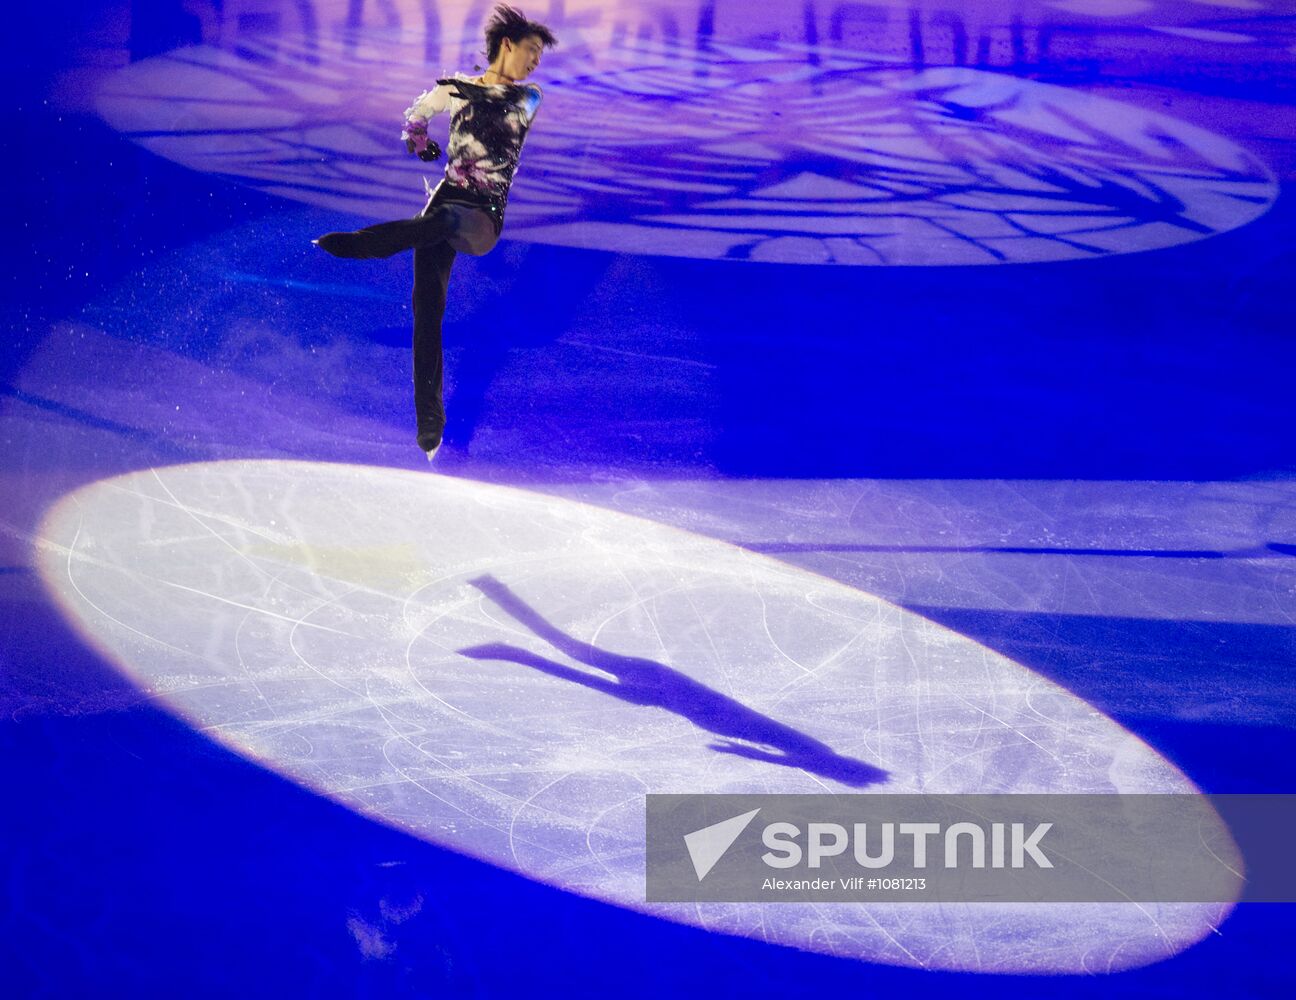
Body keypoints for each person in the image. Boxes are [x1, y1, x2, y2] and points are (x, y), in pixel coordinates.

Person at [315, 5, 557, 460]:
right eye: (531, 51)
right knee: (427, 311)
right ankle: (430, 425)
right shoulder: (456, 89)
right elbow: (415, 118)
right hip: (444, 198)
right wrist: (420, 140)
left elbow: (492, 100)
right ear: (508, 44)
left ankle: (362, 245)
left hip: (483, 215)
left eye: (538, 56)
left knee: (442, 224)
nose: (535, 63)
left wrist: (451, 95)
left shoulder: (528, 98)